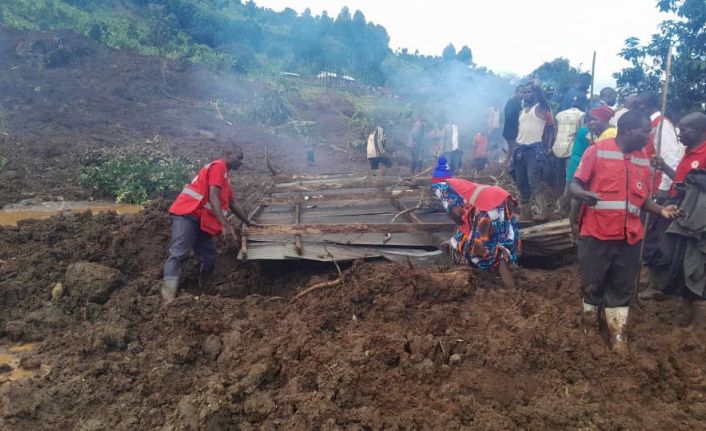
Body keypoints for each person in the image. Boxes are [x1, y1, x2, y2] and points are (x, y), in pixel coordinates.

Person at [569, 111, 680, 354]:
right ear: (628, 129)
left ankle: (618, 335)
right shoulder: (596, 151)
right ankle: (589, 326)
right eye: (644, 131)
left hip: (629, 237)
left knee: (622, 286)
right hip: (596, 234)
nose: (648, 136)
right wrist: (584, 195)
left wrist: (660, 210)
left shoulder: (643, 159)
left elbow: (642, 200)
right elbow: (574, 185)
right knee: (593, 283)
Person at [162, 149, 255, 304]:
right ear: (227, 154)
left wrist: (248, 221)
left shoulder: (225, 177)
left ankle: (201, 289)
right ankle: (168, 298)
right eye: (238, 158)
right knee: (178, 253)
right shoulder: (218, 167)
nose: (241, 162)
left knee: (209, 257)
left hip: (202, 220)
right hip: (188, 213)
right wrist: (224, 225)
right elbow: (213, 196)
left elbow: (232, 203)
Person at [642, 112, 706, 301]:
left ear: (698, 130)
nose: (680, 135)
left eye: (684, 130)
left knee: (673, 249)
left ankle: (668, 288)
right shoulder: (688, 151)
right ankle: (659, 284)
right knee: (659, 244)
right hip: (674, 206)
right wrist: (664, 168)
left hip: (692, 214)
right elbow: (681, 180)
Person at [432, 177, 520, 289]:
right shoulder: (458, 184)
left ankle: (512, 290)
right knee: (501, 239)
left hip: (487, 206)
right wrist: (454, 240)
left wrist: (455, 242)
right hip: (501, 198)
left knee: (487, 250)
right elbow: (465, 223)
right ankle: (509, 265)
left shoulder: (442, 189)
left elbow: (457, 216)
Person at [512, 82, 551, 221]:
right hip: (520, 149)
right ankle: (525, 213)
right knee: (521, 182)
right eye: (524, 92)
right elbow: (519, 132)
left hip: (534, 150)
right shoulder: (521, 112)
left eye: (529, 92)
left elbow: (544, 101)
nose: (526, 94)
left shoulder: (540, 108)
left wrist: (537, 88)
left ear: (535, 93)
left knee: (534, 181)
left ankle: (543, 211)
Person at [635, 92, 681, 198]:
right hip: (646, 185)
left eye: (638, 107)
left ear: (649, 106)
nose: (636, 111)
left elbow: (670, 159)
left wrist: (663, 188)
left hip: (656, 187)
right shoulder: (649, 124)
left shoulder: (662, 124)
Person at [552, 102, 585, 193]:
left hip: (558, 148)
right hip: (571, 148)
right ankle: (566, 197)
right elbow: (582, 133)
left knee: (559, 174)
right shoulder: (581, 115)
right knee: (569, 176)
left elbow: (555, 130)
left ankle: (559, 196)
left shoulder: (559, 115)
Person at [502, 85, 524, 158]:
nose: (523, 94)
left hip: (511, 131)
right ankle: (509, 166)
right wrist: (518, 126)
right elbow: (508, 117)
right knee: (514, 149)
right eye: (520, 92)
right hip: (511, 131)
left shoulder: (517, 103)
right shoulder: (512, 102)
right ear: (516, 92)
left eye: (523, 93)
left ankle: (507, 165)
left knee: (511, 150)